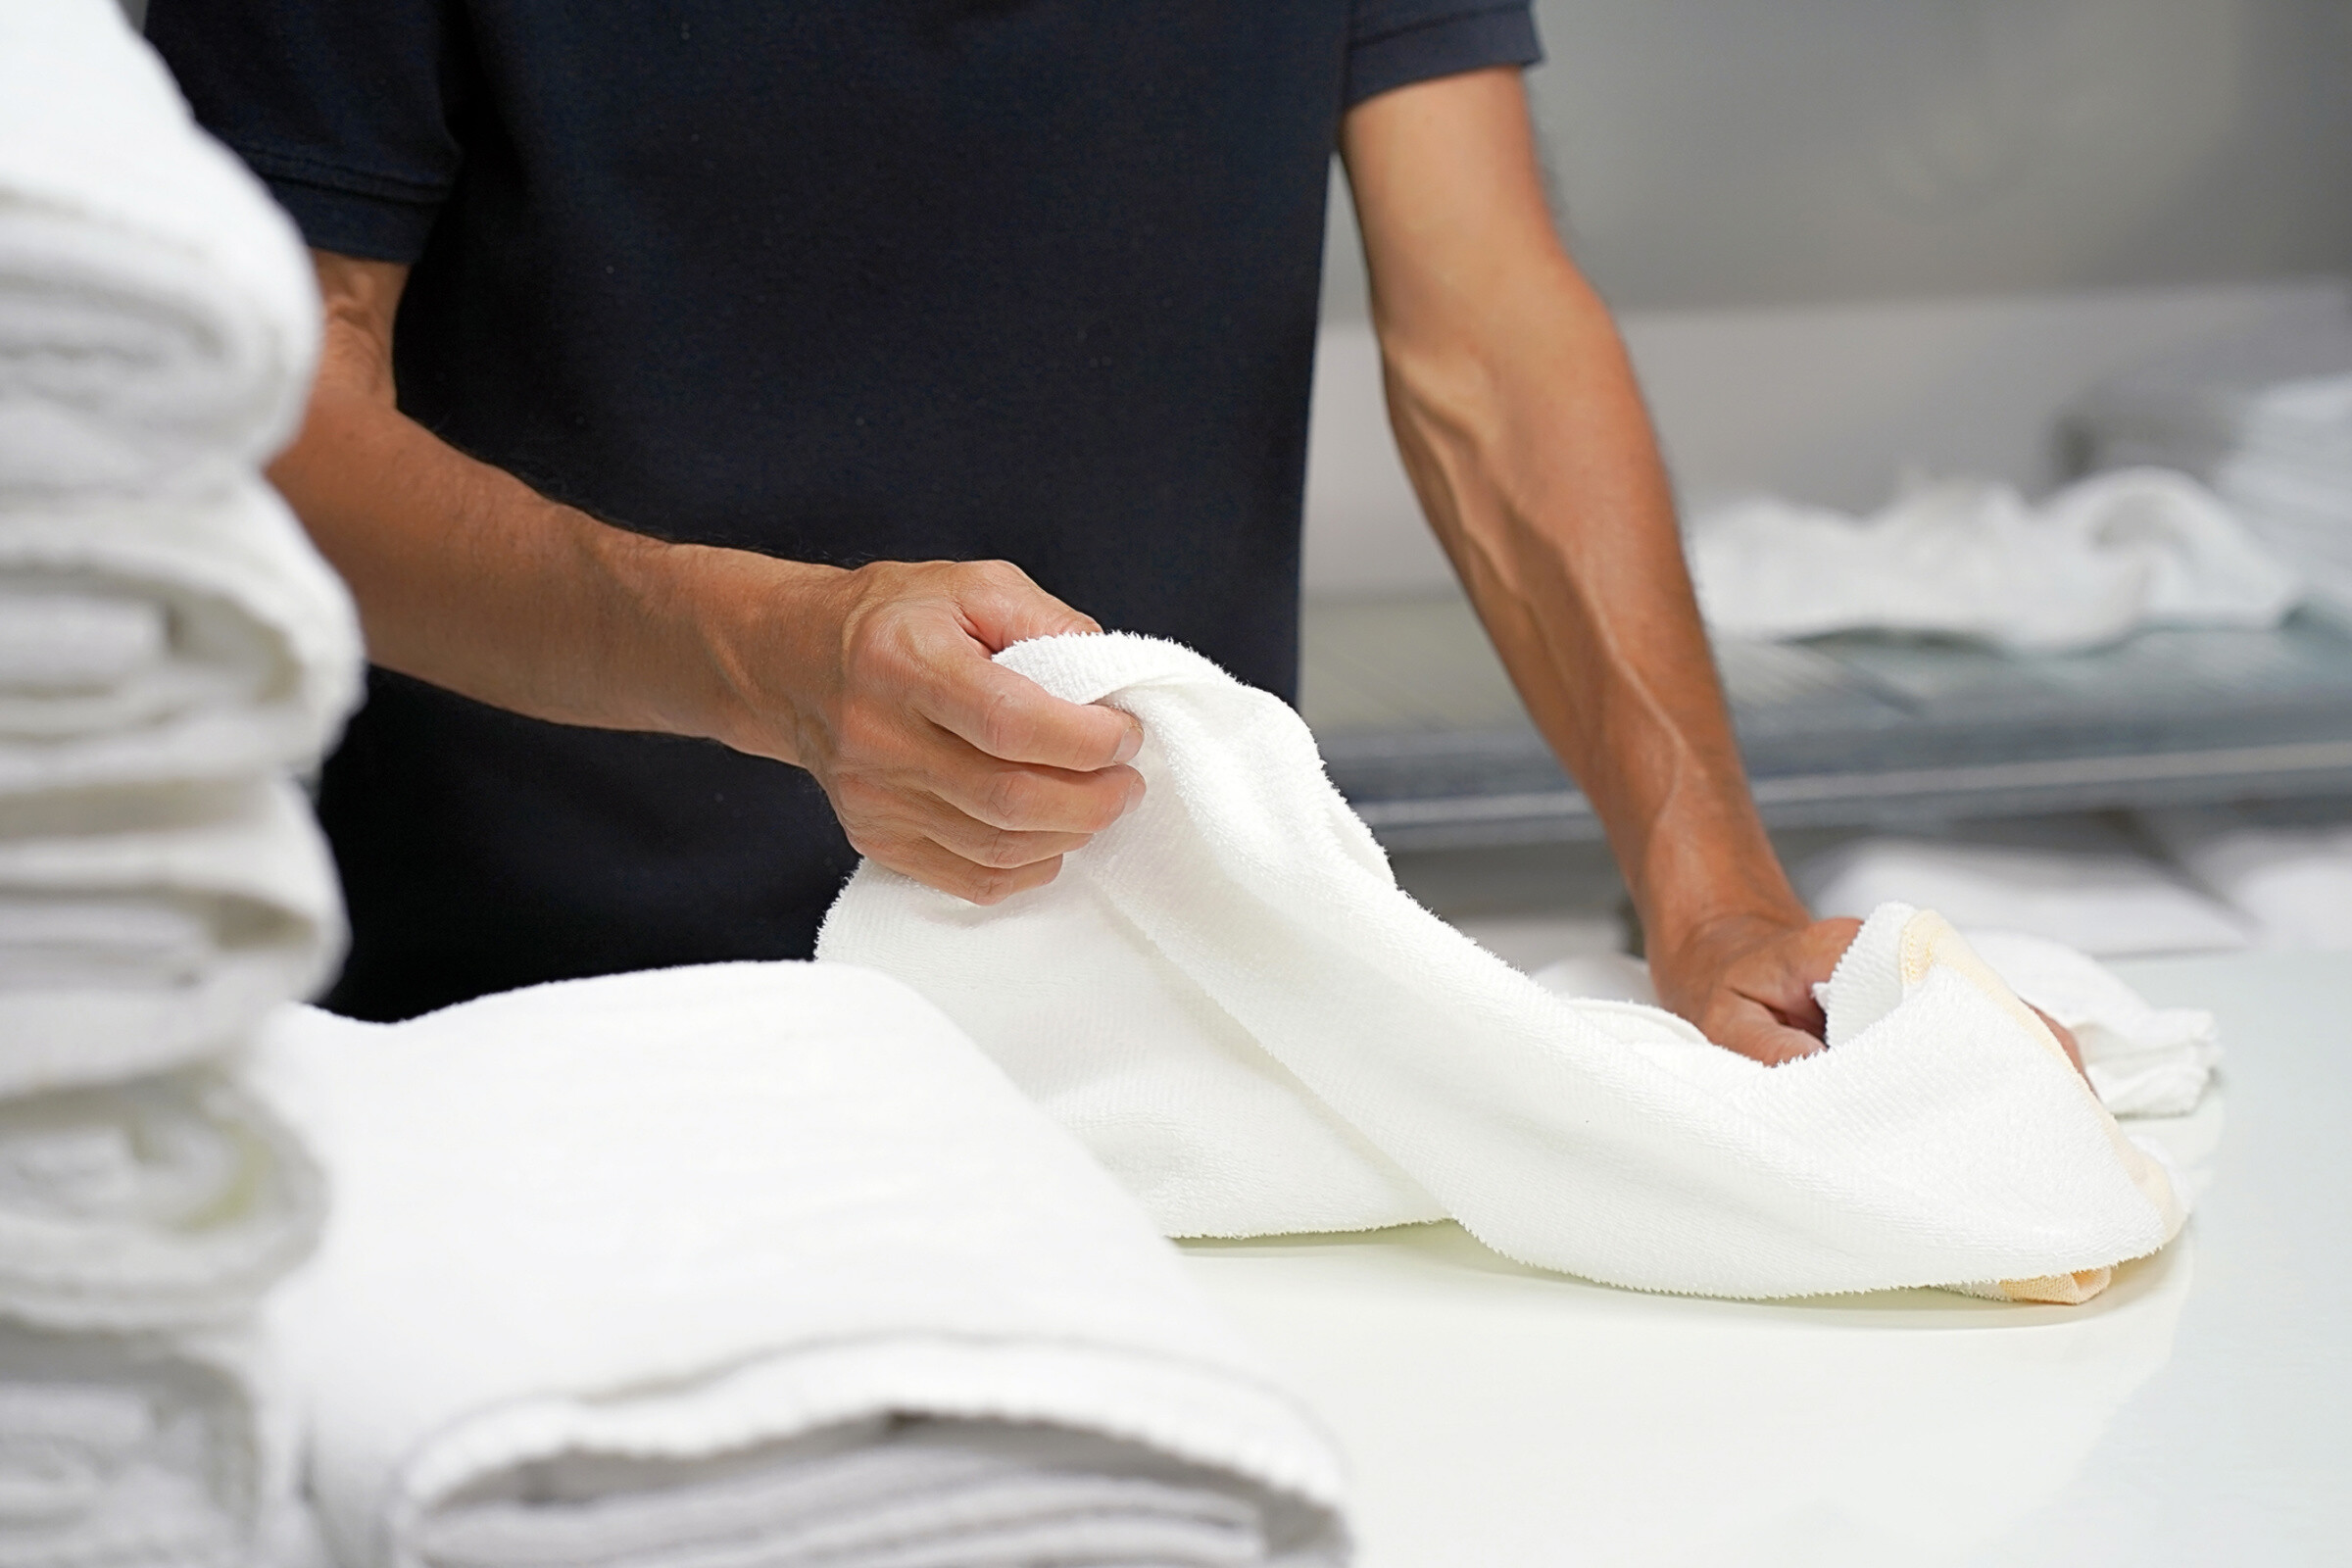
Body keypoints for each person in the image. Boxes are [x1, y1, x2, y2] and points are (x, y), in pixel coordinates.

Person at [145, 0, 1860, 1063]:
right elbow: (274, 424)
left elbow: (1489, 332)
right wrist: (763, 661)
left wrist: (1708, 887)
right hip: (535, 1024)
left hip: (1161, 997)